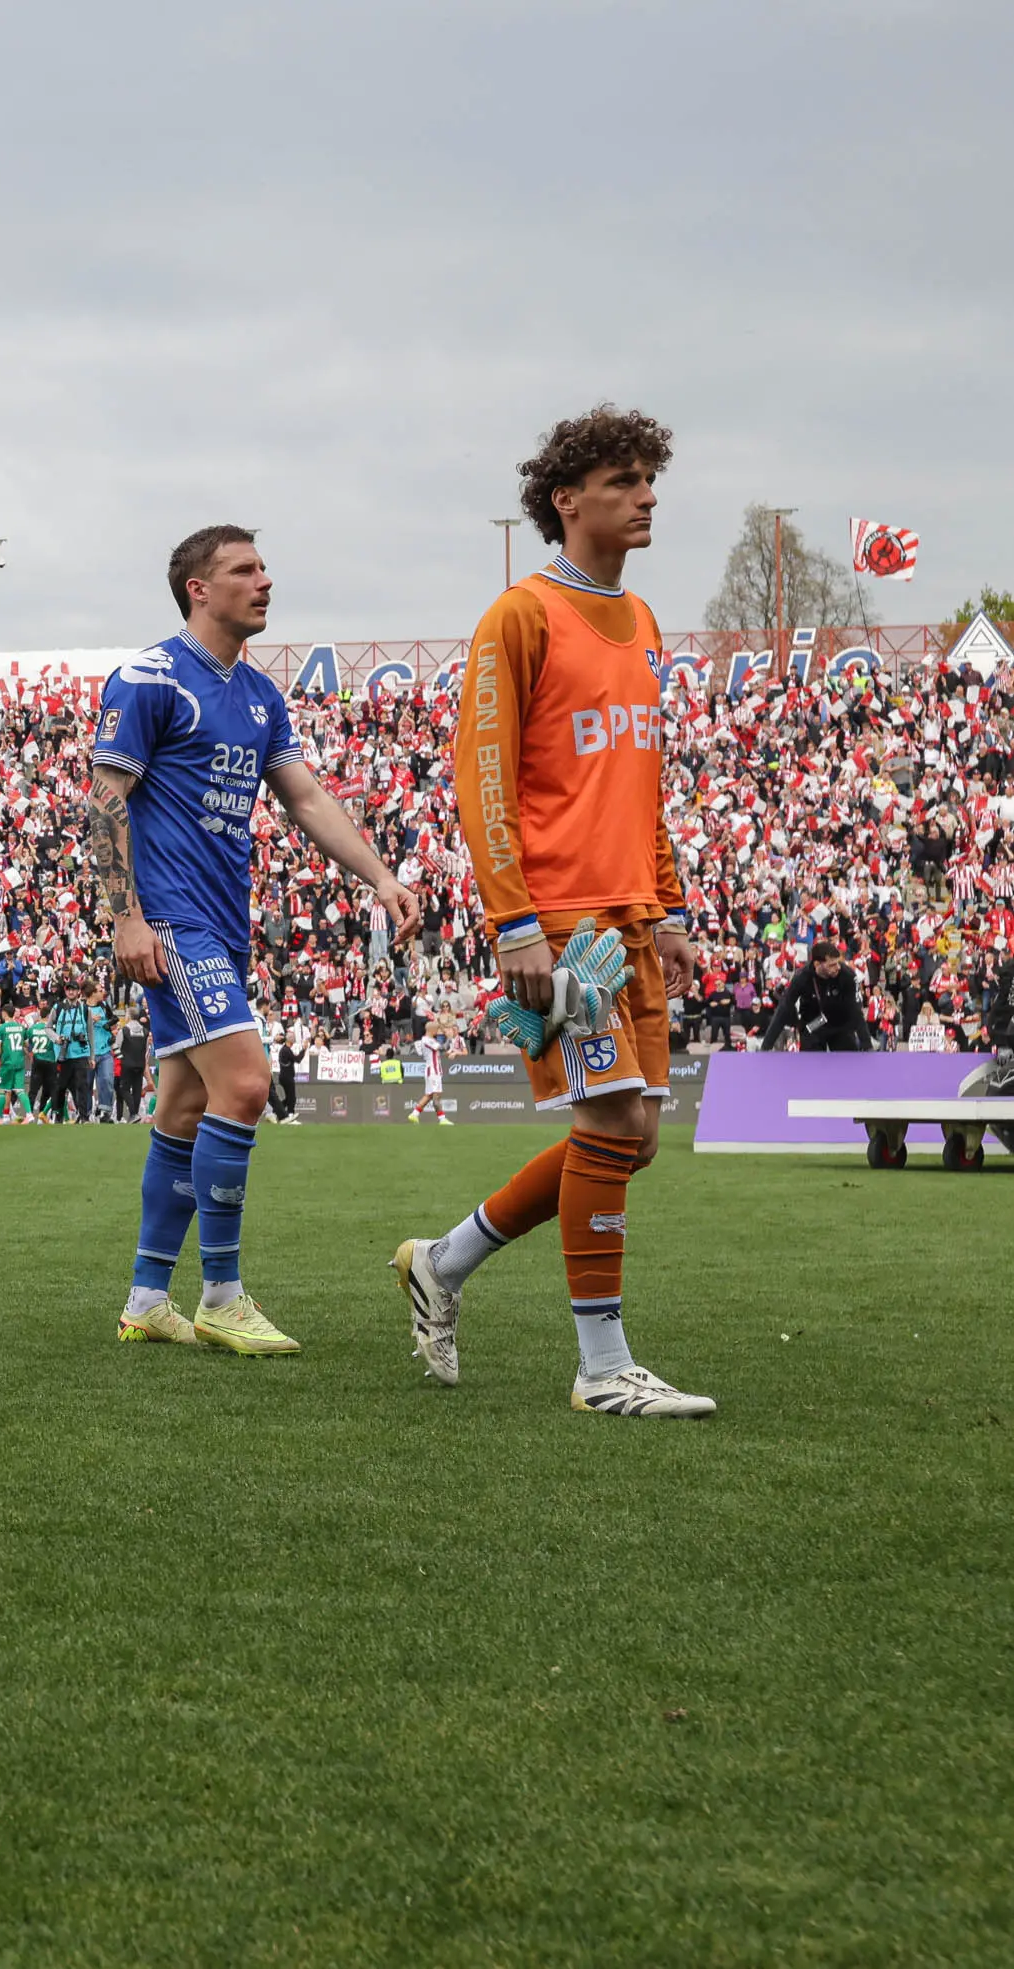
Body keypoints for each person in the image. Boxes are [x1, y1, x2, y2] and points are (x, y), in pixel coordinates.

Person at [391, 407, 715, 1417]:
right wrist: (513, 922)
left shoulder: (645, 619)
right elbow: (481, 775)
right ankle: (602, 1367)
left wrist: (665, 903)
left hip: (626, 916)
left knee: (630, 1138)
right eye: (623, 481)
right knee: (612, 1120)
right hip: (562, 921)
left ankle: (440, 1263)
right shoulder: (520, 616)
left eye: (649, 480)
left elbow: (640, 781)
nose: (647, 495)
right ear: (566, 500)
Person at [88, 522, 418, 1357]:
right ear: (198, 588)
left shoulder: (261, 697)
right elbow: (102, 801)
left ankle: (146, 1295)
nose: (264, 580)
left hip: (221, 923)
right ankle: (223, 1292)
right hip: (171, 921)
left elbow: (305, 800)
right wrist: (124, 916)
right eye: (244, 569)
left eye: (265, 566)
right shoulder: (150, 677)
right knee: (245, 1083)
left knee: (186, 1103)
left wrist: (378, 877)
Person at [760, 941, 877, 1052]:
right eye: (831, 965)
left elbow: (856, 1011)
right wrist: (766, 1047)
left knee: (847, 1063)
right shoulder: (801, 977)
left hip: (841, 1023)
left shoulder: (847, 975)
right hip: (812, 1024)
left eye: (837, 962)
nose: (837, 967)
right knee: (811, 1066)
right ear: (817, 964)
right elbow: (783, 1009)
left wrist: (867, 1046)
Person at [407, 1018, 453, 1124]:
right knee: (436, 1095)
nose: (437, 1032)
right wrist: (449, 1038)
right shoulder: (427, 1040)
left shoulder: (429, 1040)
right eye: (436, 1030)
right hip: (433, 1070)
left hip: (433, 1070)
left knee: (429, 1095)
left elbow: (438, 1052)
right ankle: (442, 1119)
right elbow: (442, 1048)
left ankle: (414, 1114)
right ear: (431, 1030)